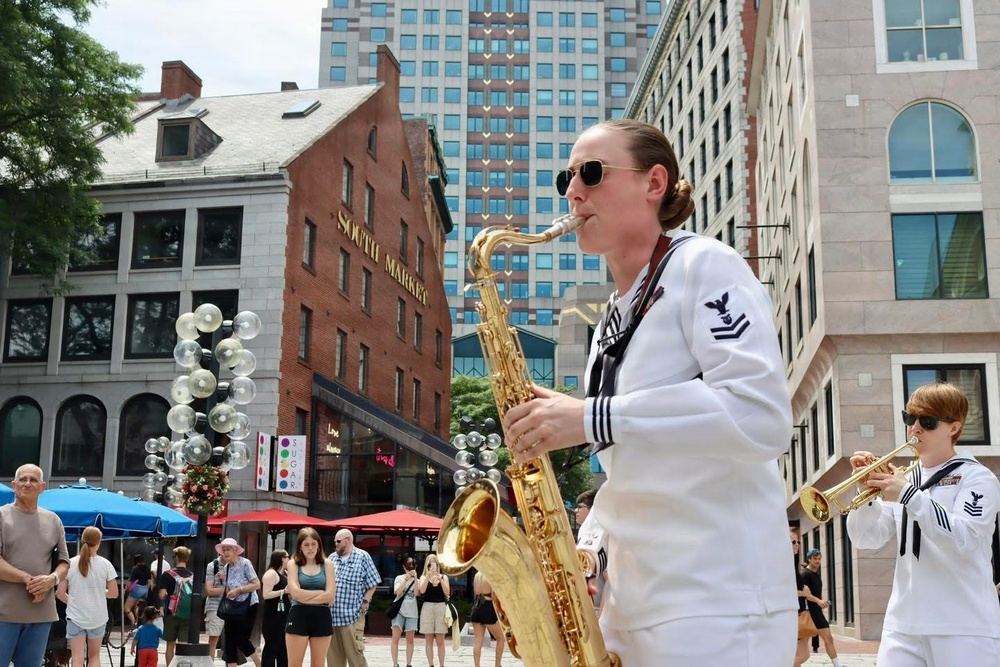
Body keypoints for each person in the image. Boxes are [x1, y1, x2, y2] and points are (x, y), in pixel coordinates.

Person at [502, 119, 797, 667]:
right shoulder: (613, 318)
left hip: (716, 607)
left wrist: (594, 417)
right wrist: (584, 554)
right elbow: (629, 472)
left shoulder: (705, 265)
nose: (573, 191)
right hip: (630, 609)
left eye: (592, 172)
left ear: (653, 182)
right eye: (566, 177)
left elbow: (761, 415)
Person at [846, 381, 1000, 666]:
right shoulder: (907, 479)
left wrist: (907, 495)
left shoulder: (977, 478)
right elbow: (867, 538)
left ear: (953, 428)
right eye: (910, 418)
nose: (915, 428)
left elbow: (963, 540)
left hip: (963, 627)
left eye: (927, 422)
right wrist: (864, 492)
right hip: (902, 626)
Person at [0, 463, 71, 667]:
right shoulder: (1, 516)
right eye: (23, 479)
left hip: (40, 614)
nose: (27, 484)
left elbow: (64, 562)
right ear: (14, 485)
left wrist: (52, 579)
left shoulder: (54, 520)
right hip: (4, 611)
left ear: (42, 487)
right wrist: (27, 579)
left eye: (33, 480)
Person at [57, 526, 118, 667]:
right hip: (98, 616)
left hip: (75, 617)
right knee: (94, 656)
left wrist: (74, 601)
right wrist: (98, 593)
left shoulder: (70, 564)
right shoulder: (106, 564)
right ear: (99, 542)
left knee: (77, 658)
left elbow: (60, 593)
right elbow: (114, 593)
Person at [326, 529, 380, 667]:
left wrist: (365, 601)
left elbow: (373, 583)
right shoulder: (331, 558)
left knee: (356, 657)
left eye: (338, 541)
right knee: (333, 659)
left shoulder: (363, 556)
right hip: (332, 617)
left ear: (348, 540)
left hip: (352, 616)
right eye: (335, 542)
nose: (336, 544)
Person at [285, 528, 335, 667]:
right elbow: (295, 593)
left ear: (319, 544)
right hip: (299, 615)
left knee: (318, 665)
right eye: (306, 544)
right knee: (294, 664)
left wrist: (304, 595)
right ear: (300, 546)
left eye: (313, 543)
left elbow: (331, 595)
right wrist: (321, 593)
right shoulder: (293, 563)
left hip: (322, 616)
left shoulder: (327, 564)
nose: (310, 548)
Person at [217, 537, 262, 667]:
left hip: (248, 604)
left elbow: (257, 584)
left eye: (228, 549)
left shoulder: (245, 563)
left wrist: (239, 590)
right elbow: (230, 588)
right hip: (232, 606)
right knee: (229, 640)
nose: (225, 552)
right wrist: (226, 584)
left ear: (235, 550)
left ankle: (259, 663)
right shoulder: (226, 568)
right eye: (223, 550)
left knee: (241, 639)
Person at [800, 549, 840, 666]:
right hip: (808, 613)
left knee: (828, 639)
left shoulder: (815, 574)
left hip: (816, 612)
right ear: (809, 559)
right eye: (815, 559)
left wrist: (821, 602)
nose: (818, 561)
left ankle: (837, 665)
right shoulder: (805, 575)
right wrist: (818, 601)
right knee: (802, 648)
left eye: (819, 559)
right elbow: (805, 594)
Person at [158, 545, 194, 667]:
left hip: (171, 614)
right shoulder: (192, 576)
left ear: (176, 558)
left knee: (170, 644)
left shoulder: (167, 574)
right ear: (187, 559)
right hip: (187, 614)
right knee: (183, 645)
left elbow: (162, 595)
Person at [574, 489, 606, 617]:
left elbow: (610, 580)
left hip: (596, 613)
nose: (576, 511)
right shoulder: (584, 533)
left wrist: (601, 619)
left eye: (580, 507)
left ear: (592, 510)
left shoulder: (600, 535)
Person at [416, 553, 450, 667]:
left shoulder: (444, 577)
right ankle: (431, 664)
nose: (432, 565)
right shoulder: (423, 577)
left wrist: (439, 578)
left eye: (434, 562)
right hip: (428, 607)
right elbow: (422, 591)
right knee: (429, 639)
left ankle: (442, 664)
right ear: (427, 564)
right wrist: (428, 576)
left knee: (440, 640)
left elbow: (447, 593)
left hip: (440, 606)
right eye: (430, 563)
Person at [261, 549, 290, 667]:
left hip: (284, 616)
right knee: (272, 646)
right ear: (282, 558)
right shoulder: (271, 574)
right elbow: (266, 595)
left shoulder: (285, 573)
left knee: (283, 647)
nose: (289, 559)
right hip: (273, 616)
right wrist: (284, 591)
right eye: (287, 557)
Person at [470, 571, 505, 667]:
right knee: (501, 638)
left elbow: (474, 594)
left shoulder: (477, 575)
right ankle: (497, 665)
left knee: (478, 640)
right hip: (488, 607)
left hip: (476, 607)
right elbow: (495, 595)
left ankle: (477, 665)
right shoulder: (492, 574)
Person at [389, 556, 419, 667]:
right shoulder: (399, 578)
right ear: (404, 567)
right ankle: (395, 663)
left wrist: (415, 578)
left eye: (412, 566)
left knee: (410, 640)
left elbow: (417, 593)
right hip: (399, 611)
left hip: (412, 612)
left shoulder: (417, 580)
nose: (410, 569)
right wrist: (406, 579)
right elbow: (397, 592)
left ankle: (408, 663)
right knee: (395, 638)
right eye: (408, 567)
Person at [791, 532, 811, 667]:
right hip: (794, 615)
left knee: (799, 655)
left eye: (798, 542)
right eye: (793, 542)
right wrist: (802, 592)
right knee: (802, 655)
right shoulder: (783, 566)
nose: (797, 545)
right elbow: (781, 592)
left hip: (800, 613)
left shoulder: (793, 564)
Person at [205, 551, 226, 660]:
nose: (226, 553)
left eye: (230, 550)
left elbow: (243, 586)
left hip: (235, 606)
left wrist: (225, 580)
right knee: (213, 639)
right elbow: (209, 590)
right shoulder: (213, 565)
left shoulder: (238, 565)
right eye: (224, 550)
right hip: (215, 605)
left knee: (235, 639)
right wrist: (229, 589)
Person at [125, 553, 150, 628]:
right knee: (137, 607)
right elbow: (149, 581)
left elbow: (130, 581)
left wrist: (126, 588)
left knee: (127, 608)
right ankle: (138, 623)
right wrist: (147, 590)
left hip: (137, 588)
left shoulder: (135, 568)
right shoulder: (147, 568)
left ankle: (134, 623)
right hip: (145, 589)